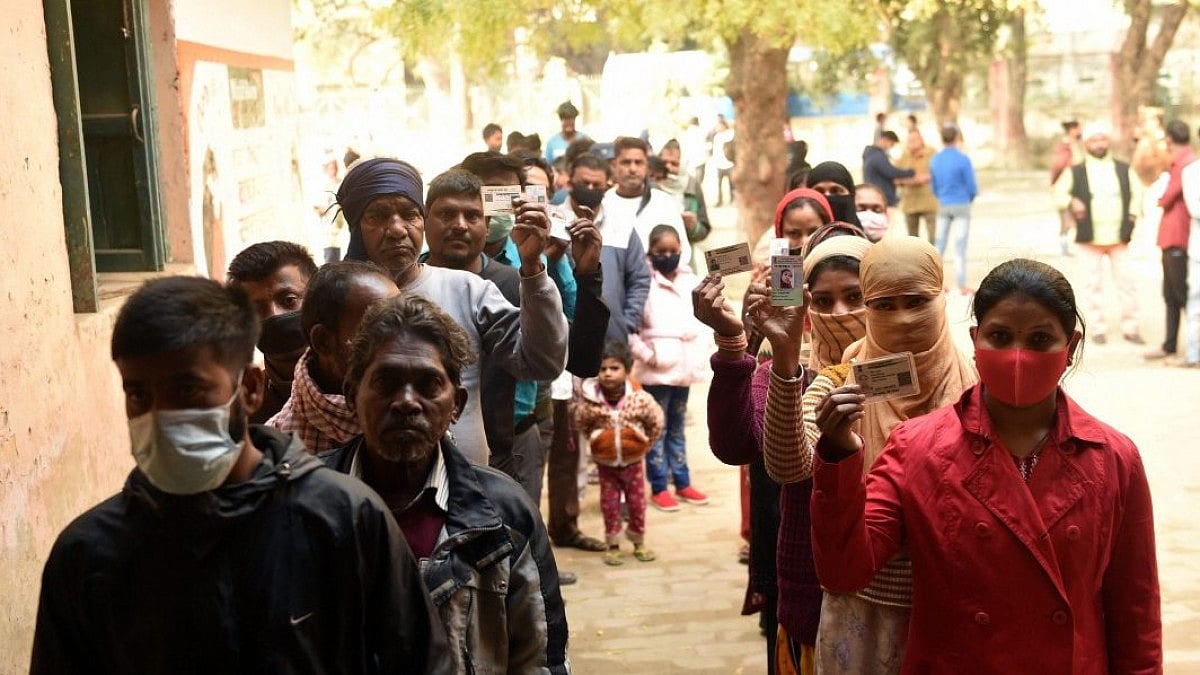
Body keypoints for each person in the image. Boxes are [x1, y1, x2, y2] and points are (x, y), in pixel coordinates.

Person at [31, 276, 448, 674]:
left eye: (188, 390)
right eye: (139, 394)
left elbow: (419, 661)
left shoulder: (342, 520)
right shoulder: (90, 555)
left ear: (249, 388)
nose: (160, 415)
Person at [809, 258, 1161, 673]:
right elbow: (845, 571)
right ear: (976, 341)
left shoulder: (1113, 459)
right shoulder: (916, 448)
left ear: (1070, 347)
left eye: (1039, 339)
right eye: (1001, 336)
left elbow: (1136, 614)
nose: (1018, 356)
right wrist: (840, 456)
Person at [762, 236, 977, 673]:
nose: (903, 317)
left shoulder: (977, 386)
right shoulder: (842, 382)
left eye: (916, 301)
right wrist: (785, 361)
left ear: (941, 298)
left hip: (957, 603)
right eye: (884, 305)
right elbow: (787, 465)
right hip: (865, 608)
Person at [321, 294, 569, 674]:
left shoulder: (505, 514)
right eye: (386, 382)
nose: (406, 402)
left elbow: (541, 660)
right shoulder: (308, 504)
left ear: (457, 405)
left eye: (428, 384)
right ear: (353, 396)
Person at [697, 229, 872, 675]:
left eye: (855, 297)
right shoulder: (786, 364)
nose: (841, 312)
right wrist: (738, 343)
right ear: (805, 302)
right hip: (809, 586)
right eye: (824, 301)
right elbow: (739, 446)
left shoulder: (919, 367)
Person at [338, 157, 568, 462]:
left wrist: (533, 268)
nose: (396, 230)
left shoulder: (469, 290)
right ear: (357, 227)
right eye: (378, 216)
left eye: (409, 215)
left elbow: (541, 364)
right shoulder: (338, 298)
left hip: (464, 484)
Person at [269, 261, 399, 454]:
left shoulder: (422, 412)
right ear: (323, 341)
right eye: (380, 330)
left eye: (404, 324)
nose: (403, 342)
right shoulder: (277, 453)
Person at [629, 225, 711, 512]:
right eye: (661, 251)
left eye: (673, 251)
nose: (668, 256)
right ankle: (659, 486)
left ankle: (683, 481)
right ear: (650, 252)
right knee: (657, 429)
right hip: (656, 371)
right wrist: (649, 355)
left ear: (681, 251)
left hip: (684, 368)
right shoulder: (642, 280)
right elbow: (629, 327)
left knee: (677, 428)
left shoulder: (691, 280)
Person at [572, 341, 664, 566]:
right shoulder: (591, 400)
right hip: (606, 465)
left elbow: (656, 421)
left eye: (614, 368)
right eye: (603, 369)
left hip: (633, 463)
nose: (608, 373)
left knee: (637, 504)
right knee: (610, 504)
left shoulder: (639, 398)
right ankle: (613, 544)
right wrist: (597, 440)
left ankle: (638, 542)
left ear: (627, 369)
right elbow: (581, 422)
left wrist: (643, 442)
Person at [1054, 124, 1145, 345]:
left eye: (1102, 139)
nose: (1099, 144)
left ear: (1108, 141)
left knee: (1127, 285)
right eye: (1094, 140)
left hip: (1119, 238)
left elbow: (1137, 194)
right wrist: (1071, 201)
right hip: (1089, 240)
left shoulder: (1124, 169)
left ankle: (1131, 328)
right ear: (1086, 144)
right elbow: (1058, 193)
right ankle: (1097, 328)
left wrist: (1132, 216)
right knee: (1092, 286)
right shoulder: (1076, 171)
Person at [553, 152, 652, 344]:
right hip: (560, 337)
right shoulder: (553, 222)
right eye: (584, 183)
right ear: (570, 183)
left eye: (596, 185)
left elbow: (639, 278)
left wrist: (626, 323)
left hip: (612, 338)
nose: (590, 188)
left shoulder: (622, 227)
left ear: (606, 187)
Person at [226, 240, 318, 423]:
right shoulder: (247, 408)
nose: (274, 315)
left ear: (317, 298)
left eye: (289, 300)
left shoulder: (355, 389)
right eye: (257, 309)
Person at [1146, 120, 1196, 361]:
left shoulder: (1185, 165)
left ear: (1168, 139)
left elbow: (1164, 199)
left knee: (1185, 297)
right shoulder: (1183, 162)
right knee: (1171, 295)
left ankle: (1193, 352)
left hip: (1180, 238)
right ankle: (1169, 345)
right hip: (1171, 238)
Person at [605, 136, 693, 266]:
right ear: (614, 165)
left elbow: (683, 252)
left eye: (638, 162)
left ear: (647, 166)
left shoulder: (664, 202)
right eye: (626, 162)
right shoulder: (604, 203)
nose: (633, 169)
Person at [930, 123, 979, 294]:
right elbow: (972, 186)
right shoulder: (963, 159)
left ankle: (936, 284)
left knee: (939, 246)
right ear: (957, 137)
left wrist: (941, 196)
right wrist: (968, 199)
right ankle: (962, 284)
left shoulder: (935, 159)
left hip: (944, 204)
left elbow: (934, 186)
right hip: (961, 204)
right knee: (960, 246)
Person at [658, 138, 712, 245]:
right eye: (664, 163)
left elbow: (704, 230)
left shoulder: (692, 185)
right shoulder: (650, 184)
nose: (668, 168)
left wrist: (694, 226)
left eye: (674, 164)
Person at [862, 131, 917, 216]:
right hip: (882, 198)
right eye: (891, 144)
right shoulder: (877, 156)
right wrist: (910, 172)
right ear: (885, 140)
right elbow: (891, 172)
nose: (890, 147)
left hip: (874, 196)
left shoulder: (870, 154)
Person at [896, 129, 937, 243]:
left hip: (929, 200)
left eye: (914, 140)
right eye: (909, 140)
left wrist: (926, 178)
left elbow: (939, 173)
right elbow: (895, 176)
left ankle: (932, 254)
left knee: (933, 237)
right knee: (913, 239)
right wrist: (910, 180)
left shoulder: (931, 153)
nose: (911, 143)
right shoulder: (904, 156)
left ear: (921, 140)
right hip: (910, 202)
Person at [1051, 120, 1084, 255]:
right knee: (1066, 218)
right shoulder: (1065, 147)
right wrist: (1054, 182)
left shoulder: (1076, 145)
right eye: (1079, 128)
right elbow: (1058, 165)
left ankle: (1074, 246)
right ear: (1072, 130)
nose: (1081, 131)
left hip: (1078, 185)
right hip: (1065, 186)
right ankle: (1064, 247)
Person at [806, 161, 862, 226]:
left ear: (851, 194)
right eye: (819, 192)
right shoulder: (801, 232)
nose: (827, 196)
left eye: (836, 191)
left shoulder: (868, 231)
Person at [711, 117, 736, 206]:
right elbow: (715, 151)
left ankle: (732, 200)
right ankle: (720, 201)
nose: (718, 128)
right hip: (719, 164)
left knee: (731, 184)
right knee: (719, 184)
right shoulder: (717, 137)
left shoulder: (730, 134)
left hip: (729, 164)